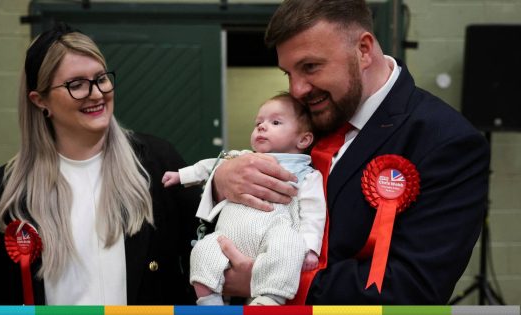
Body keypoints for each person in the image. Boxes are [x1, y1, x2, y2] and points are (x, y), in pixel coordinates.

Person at [204, 0, 490, 305]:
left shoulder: (446, 141)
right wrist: (221, 181)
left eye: (310, 67)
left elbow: (412, 289)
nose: (297, 89)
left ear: (363, 50)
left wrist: (269, 279)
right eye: (288, 73)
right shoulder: (303, 118)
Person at [0, 23, 200, 305]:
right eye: (76, 85)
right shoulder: (6, 190)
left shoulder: (157, 163)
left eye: (101, 78)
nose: (96, 93)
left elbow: (204, 254)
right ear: (40, 100)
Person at [162, 93, 326, 305]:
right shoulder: (241, 159)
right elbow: (210, 165)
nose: (262, 127)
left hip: (273, 234)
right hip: (227, 237)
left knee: (288, 245)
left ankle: (269, 299)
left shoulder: (305, 173)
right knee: (203, 250)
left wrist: (311, 247)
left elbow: (314, 211)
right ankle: (209, 302)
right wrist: (182, 175)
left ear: (303, 139)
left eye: (275, 122)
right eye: (258, 122)